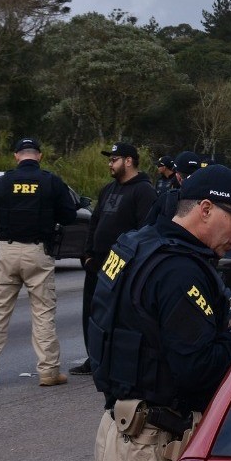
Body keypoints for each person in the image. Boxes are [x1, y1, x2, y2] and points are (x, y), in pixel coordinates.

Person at [89, 164, 231, 461]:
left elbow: (145, 329)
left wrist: (218, 330)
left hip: (117, 431)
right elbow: (196, 370)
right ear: (205, 209)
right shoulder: (180, 270)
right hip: (149, 446)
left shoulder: (138, 244)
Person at [0, 137, 79, 388]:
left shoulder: (2, 182)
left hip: (6, 252)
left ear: (17, 156)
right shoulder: (51, 181)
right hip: (38, 252)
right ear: (39, 156)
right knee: (43, 314)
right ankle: (49, 372)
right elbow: (69, 215)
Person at [70, 142, 157, 376]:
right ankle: (94, 358)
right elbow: (95, 222)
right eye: (110, 160)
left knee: (117, 315)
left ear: (128, 161)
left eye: (114, 159)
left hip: (120, 264)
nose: (110, 164)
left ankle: (114, 360)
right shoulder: (108, 189)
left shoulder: (144, 191)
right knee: (92, 312)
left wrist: (128, 263)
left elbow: (145, 231)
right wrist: (87, 254)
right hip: (96, 263)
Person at [143, 150, 202, 226]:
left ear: (178, 177)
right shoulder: (214, 198)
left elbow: (147, 226)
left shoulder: (167, 198)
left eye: (159, 165)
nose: (157, 167)